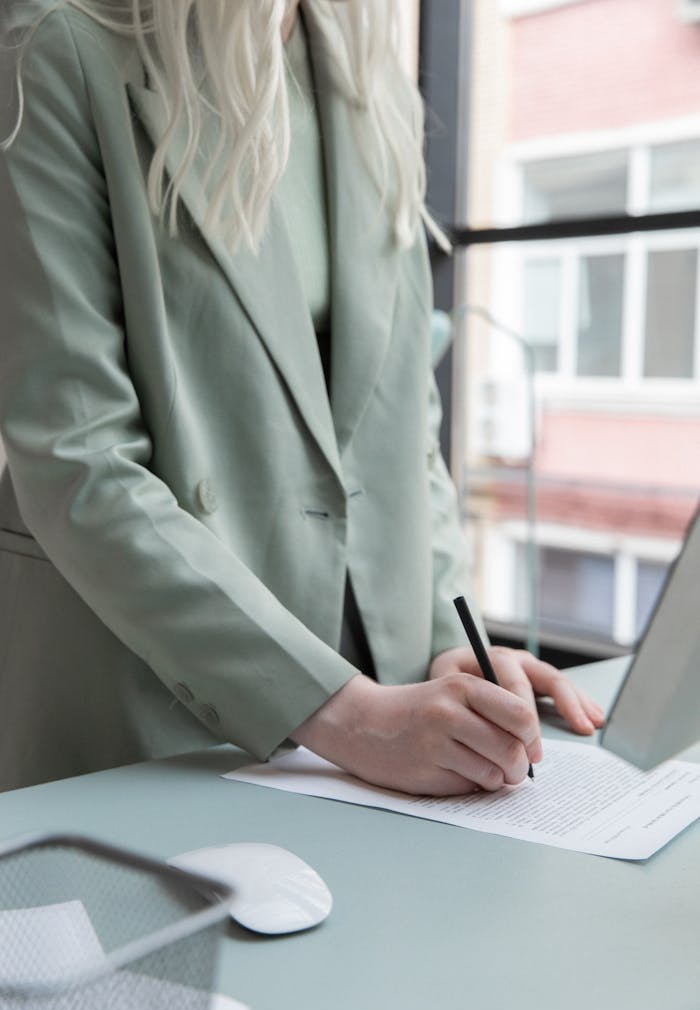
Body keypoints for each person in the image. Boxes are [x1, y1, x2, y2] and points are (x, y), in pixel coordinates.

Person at [0, 0, 604, 794]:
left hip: (366, 693)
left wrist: (443, 645)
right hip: (151, 692)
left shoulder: (363, 73)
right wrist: (353, 715)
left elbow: (403, 427)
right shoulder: (57, 43)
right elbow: (78, 458)